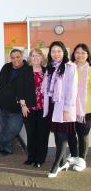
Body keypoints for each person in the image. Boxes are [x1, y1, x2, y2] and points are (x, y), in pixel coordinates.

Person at [42, 41, 77, 178]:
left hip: (64, 107)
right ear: (50, 54)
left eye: (59, 51)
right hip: (52, 106)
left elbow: (72, 90)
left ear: (64, 52)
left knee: (62, 136)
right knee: (57, 135)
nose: (56, 54)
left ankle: (55, 165)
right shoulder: (49, 67)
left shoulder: (70, 67)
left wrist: (67, 109)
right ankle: (63, 162)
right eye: (53, 51)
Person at [17, 48, 48, 168]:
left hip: (44, 109)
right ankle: (31, 157)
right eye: (33, 56)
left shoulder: (47, 71)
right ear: (30, 58)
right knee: (31, 134)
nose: (36, 58)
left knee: (42, 135)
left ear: (42, 58)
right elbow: (20, 90)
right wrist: (23, 106)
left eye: (38, 56)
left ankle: (40, 159)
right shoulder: (25, 71)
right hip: (29, 108)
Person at [0, 49, 27, 156]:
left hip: (16, 106)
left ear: (22, 57)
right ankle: (6, 148)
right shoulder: (6, 67)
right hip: (1, 103)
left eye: (18, 57)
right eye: (13, 57)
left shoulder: (27, 70)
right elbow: (1, 83)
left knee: (14, 129)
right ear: (10, 58)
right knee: (2, 127)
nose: (15, 59)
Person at [67, 43, 91, 172]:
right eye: (77, 52)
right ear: (73, 54)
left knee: (82, 135)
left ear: (87, 55)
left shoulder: (90, 70)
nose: (80, 55)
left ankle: (82, 159)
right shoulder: (69, 68)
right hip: (70, 108)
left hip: (86, 109)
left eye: (83, 52)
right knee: (71, 133)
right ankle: (74, 155)